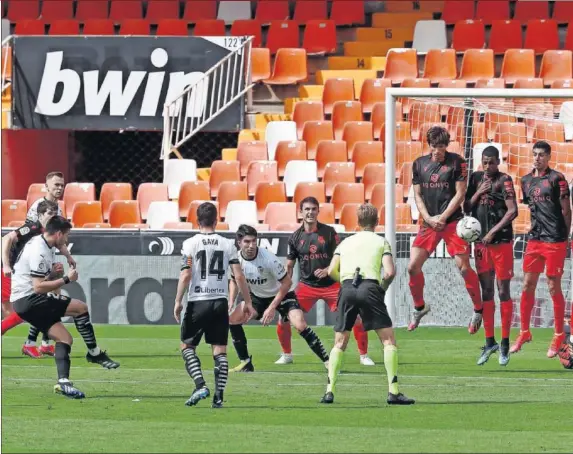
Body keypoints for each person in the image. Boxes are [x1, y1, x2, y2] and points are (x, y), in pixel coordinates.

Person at [10, 216, 119, 399]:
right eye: (66, 235)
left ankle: (64, 384)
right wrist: (66, 279)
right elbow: (37, 286)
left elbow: (37, 278)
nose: (66, 240)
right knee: (80, 308)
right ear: (59, 233)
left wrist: (53, 273)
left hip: (25, 301)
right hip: (29, 299)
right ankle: (94, 353)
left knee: (65, 339)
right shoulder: (39, 250)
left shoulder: (43, 244)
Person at [320, 204, 414, 405]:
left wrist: (344, 282)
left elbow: (330, 271)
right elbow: (389, 272)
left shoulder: (345, 243)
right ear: (377, 222)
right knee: (388, 341)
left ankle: (329, 391)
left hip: (347, 288)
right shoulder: (381, 242)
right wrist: (381, 289)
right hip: (370, 287)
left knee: (339, 342)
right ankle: (393, 391)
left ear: (358, 222)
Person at [174, 202, 255, 408]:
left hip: (198, 302)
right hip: (220, 302)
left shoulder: (190, 244)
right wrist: (247, 301)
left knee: (187, 346)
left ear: (196, 220)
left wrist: (177, 301)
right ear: (216, 219)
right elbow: (238, 275)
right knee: (220, 350)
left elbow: (186, 274)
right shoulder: (227, 244)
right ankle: (218, 397)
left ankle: (200, 384)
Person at [276, 197, 374, 366]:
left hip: (331, 286)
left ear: (318, 211)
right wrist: (285, 288)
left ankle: (363, 355)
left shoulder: (329, 233)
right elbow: (290, 265)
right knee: (283, 317)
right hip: (306, 286)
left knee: (356, 317)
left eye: (313, 209)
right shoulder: (294, 238)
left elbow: (341, 257)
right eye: (306, 209)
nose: (310, 212)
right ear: (300, 212)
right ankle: (287, 354)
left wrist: (328, 269)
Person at [407, 126, 483, 333]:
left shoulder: (457, 162)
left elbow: (460, 194)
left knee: (464, 268)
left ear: (446, 146)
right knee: (412, 267)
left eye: (441, 146)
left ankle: (478, 310)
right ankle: (419, 308)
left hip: (452, 223)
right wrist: (428, 218)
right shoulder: (419, 164)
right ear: (429, 145)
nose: (437, 150)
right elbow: (418, 195)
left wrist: (442, 217)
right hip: (429, 223)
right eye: (434, 146)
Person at [228, 225, 330, 372]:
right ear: (239, 242)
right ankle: (246, 363)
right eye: (247, 242)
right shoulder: (236, 260)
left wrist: (271, 307)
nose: (251, 246)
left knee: (300, 325)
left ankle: (327, 361)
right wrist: (231, 300)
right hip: (258, 298)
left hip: (282, 295)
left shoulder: (268, 258)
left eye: (253, 241)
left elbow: (287, 282)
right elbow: (234, 279)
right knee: (233, 320)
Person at [512, 141, 571, 358]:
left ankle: (557, 335)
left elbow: (566, 210)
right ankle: (525, 332)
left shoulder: (557, 179)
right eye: (535, 154)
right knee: (527, 284)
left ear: (548, 157)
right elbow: (533, 208)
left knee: (553, 286)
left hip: (555, 240)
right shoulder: (525, 181)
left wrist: (564, 238)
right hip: (534, 240)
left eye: (541, 155)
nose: (537, 158)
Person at [464, 147, 518, 366]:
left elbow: (513, 210)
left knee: (502, 290)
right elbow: (467, 207)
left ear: (498, 162)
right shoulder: (476, 178)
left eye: (492, 163)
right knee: (486, 291)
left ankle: (505, 342)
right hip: (481, 245)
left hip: (501, 243)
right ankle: (489, 342)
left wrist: (493, 231)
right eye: (485, 162)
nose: (488, 167)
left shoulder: (505, 180)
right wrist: (478, 193)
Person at [2, 200, 76, 358]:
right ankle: (33, 344)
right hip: (17, 272)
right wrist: (6, 265)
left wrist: (68, 257)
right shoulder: (33, 227)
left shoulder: (50, 232)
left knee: (43, 302)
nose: (52, 216)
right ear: (40, 215)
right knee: (19, 311)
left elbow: (59, 245)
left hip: (32, 273)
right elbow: (7, 238)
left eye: (54, 213)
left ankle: (41, 344)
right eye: (49, 213)